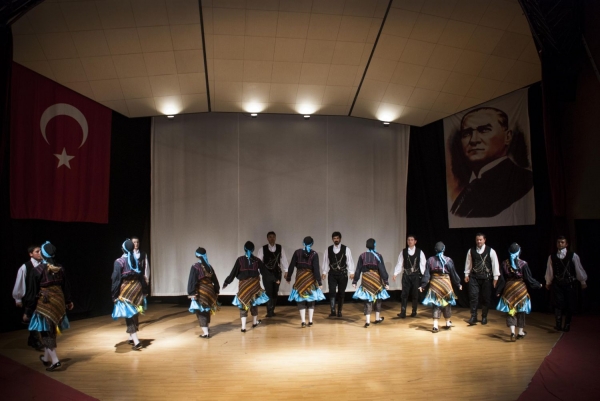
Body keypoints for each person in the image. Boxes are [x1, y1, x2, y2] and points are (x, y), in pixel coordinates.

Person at [449, 107, 533, 218]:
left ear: (507, 136)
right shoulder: (470, 186)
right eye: (466, 134)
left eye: (484, 130)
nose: (473, 140)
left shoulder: (523, 180)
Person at [26, 241, 73, 371]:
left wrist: (28, 309)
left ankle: (55, 360)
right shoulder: (60, 268)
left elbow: (32, 292)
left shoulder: (37, 270)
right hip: (59, 302)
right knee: (51, 330)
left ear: (43, 254)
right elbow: (66, 286)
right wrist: (68, 301)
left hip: (45, 303)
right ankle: (46, 358)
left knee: (46, 332)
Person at [496, 243, 543, 341]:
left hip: (509, 289)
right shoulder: (523, 264)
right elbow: (528, 278)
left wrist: (498, 290)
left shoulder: (504, 263)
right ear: (518, 252)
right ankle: (520, 332)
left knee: (511, 310)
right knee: (521, 311)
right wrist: (538, 284)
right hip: (520, 288)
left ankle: (512, 333)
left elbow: (502, 279)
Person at [223, 241, 272, 333]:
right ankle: (254, 323)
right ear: (253, 250)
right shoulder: (257, 260)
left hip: (244, 285)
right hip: (254, 285)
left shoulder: (240, 260)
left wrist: (226, 282)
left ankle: (243, 327)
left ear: (244, 249)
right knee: (254, 303)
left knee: (243, 304)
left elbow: (233, 272)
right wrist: (274, 279)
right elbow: (265, 272)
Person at [545, 236, 587, 332]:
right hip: (557, 283)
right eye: (558, 242)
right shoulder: (552, 256)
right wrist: (548, 282)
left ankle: (567, 325)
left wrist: (582, 281)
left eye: (562, 242)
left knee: (569, 304)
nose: (560, 244)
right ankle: (558, 324)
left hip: (570, 283)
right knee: (558, 304)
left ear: (566, 244)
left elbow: (578, 269)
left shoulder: (573, 255)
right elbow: (549, 271)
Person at [111, 239, 148, 350]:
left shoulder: (119, 261)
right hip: (137, 288)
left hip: (126, 289)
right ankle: (131, 337)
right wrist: (144, 291)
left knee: (129, 315)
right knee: (134, 313)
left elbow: (116, 280)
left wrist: (114, 295)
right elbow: (141, 277)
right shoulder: (136, 260)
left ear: (123, 249)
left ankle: (136, 341)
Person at [419, 242, 462, 333]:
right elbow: (453, 273)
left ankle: (435, 326)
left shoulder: (430, 260)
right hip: (446, 284)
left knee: (436, 304)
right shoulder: (448, 260)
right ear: (444, 249)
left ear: (435, 249)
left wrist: (423, 285)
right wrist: (458, 284)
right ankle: (447, 322)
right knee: (447, 303)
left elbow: (427, 274)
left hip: (435, 284)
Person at [286, 236, 325, 327]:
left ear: (303, 243)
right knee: (311, 299)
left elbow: (291, 265)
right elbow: (316, 269)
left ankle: (303, 321)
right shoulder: (314, 254)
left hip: (300, 278)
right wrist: (319, 282)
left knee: (301, 299)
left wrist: (288, 277)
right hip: (310, 279)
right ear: (312, 244)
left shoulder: (297, 252)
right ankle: (310, 321)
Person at [352, 238, 390, 328]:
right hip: (376, 278)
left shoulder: (362, 256)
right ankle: (377, 318)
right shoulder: (378, 256)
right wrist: (386, 282)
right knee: (378, 298)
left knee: (367, 299)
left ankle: (367, 321)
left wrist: (355, 281)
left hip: (366, 279)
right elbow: (382, 270)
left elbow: (358, 269)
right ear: (374, 245)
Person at [12, 245, 44, 350]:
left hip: (42, 297)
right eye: (37, 251)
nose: (40, 253)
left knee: (40, 319)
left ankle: (32, 339)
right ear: (31, 254)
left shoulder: (44, 265)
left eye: (41, 251)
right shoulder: (25, 267)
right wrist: (18, 298)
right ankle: (37, 341)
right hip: (31, 297)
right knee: (33, 319)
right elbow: (20, 282)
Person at [464, 233, 499, 325]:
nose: (479, 241)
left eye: (480, 240)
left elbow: (495, 264)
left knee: (485, 298)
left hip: (486, 278)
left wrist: (495, 278)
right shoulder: (471, 250)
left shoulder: (491, 251)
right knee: (473, 297)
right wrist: (466, 274)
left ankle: (484, 317)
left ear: (484, 240)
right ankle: (473, 317)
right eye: (477, 240)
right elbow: (468, 263)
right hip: (474, 277)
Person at [188, 247, 220, 338]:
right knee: (207, 310)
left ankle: (206, 333)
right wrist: (216, 290)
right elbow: (215, 280)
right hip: (210, 291)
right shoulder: (209, 267)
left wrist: (192, 293)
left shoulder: (195, 266)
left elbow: (192, 280)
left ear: (197, 255)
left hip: (201, 291)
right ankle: (207, 328)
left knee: (201, 311)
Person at [321, 231, 354, 318]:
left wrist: (351, 272)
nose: (336, 240)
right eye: (334, 238)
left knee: (341, 293)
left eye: (337, 238)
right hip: (332, 274)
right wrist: (324, 272)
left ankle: (339, 311)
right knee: (332, 292)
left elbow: (349, 261)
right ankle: (333, 311)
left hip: (343, 274)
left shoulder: (346, 249)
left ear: (340, 239)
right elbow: (326, 261)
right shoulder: (328, 249)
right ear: (332, 239)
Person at [393, 235, 426, 318]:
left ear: (415, 241)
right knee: (404, 294)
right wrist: (395, 273)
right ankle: (403, 312)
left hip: (415, 276)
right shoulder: (403, 252)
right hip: (406, 276)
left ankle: (414, 311)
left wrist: (424, 275)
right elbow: (400, 263)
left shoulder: (419, 252)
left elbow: (423, 264)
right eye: (408, 240)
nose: (410, 241)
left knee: (415, 294)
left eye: (412, 240)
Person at [255, 231, 288, 317]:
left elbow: (284, 259)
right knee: (268, 291)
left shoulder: (280, 248)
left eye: (273, 237)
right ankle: (269, 311)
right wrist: (257, 274)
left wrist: (286, 271)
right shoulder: (262, 249)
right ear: (267, 238)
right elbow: (259, 262)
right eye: (270, 237)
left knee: (275, 291)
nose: (272, 238)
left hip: (277, 273)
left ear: (275, 238)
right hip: (266, 274)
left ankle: (272, 310)